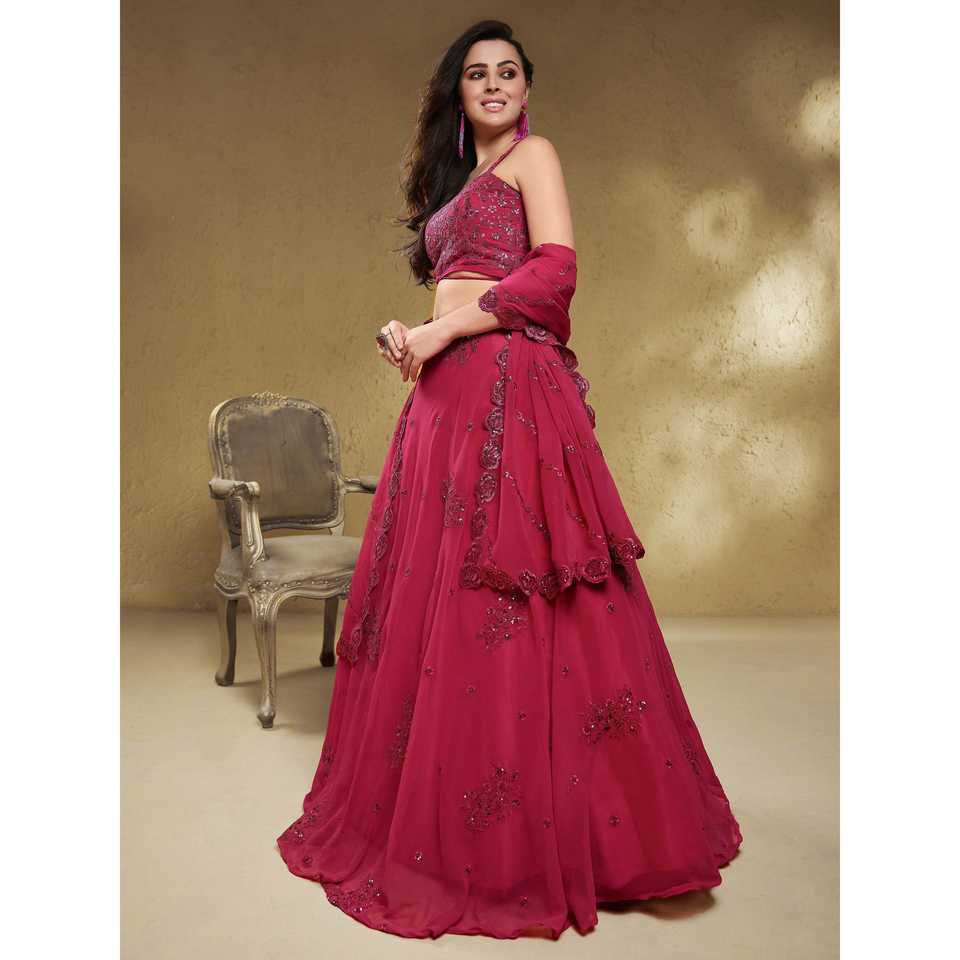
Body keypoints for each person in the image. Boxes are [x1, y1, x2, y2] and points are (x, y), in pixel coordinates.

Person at [276, 19, 743, 940]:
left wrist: (447, 328)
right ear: (458, 93)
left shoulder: (536, 158)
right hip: (443, 399)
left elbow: (556, 275)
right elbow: (454, 286)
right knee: (439, 597)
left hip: (508, 390)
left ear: (526, 89)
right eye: (476, 74)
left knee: (523, 593)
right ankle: (446, 822)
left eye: (508, 73)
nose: (493, 84)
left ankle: (567, 837)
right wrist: (412, 337)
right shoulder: (457, 186)